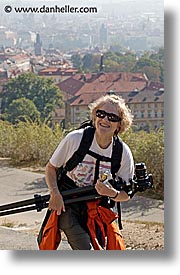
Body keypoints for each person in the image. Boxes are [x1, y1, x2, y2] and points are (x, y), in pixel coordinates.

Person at [45, 94, 134, 250]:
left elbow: (126, 194)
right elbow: (51, 168)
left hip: (99, 208)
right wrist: (55, 193)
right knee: (85, 249)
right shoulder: (75, 139)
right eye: (101, 114)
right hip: (69, 202)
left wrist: (111, 193)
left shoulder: (122, 153)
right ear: (95, 116)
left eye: (112, 117)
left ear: (120, 125)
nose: (105, 120)